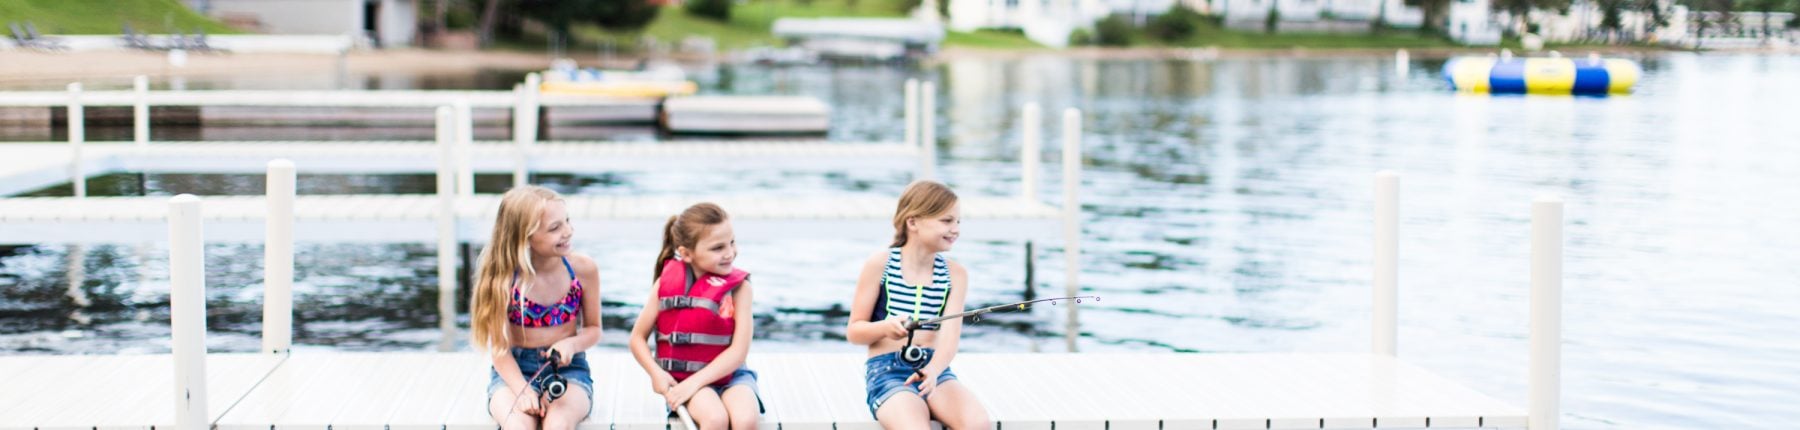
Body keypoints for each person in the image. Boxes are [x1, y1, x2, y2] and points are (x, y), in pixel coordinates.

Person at [846, 181, 991, 430]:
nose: (955, 229)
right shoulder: (879, 265)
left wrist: (934, 370)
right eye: (946, 221)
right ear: (912, 222)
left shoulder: (956, 274)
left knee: (977, 424)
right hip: (887, 370)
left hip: (935, 369)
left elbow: (949, 338)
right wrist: (884, 327)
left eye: (958, 222)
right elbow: (855, 332)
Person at [470, 185, 603, 430]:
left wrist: (570, 344)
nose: (568, 231)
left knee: (558, 424)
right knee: (518, 425)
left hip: (568, 370)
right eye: (555, 228)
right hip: (513, 373)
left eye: (567, 221)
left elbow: (594, 329)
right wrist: (522, 390)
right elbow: (499, 349)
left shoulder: (583, 269)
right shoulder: (501, 279)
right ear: (525, 238)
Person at [629, 203, 763, 430]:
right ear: (686, 254)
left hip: (732, 376)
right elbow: (637, 339)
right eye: (718, 248)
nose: (730, 253)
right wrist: (656, 374)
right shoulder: (666, 283)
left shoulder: (741, 289)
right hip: (684, 380)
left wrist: (694, 383)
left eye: (732, 242)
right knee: (715, 419)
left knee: (746, 420)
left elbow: (739, 352)